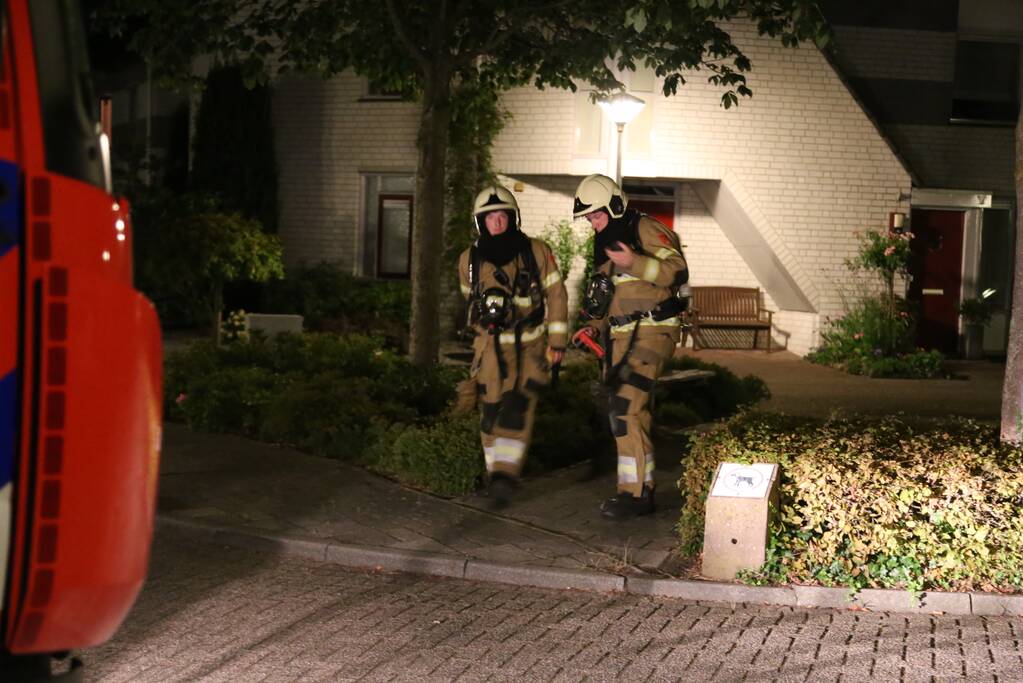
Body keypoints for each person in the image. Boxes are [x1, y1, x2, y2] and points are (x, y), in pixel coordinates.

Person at [572, 174, 689, 520]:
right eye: (589, 219)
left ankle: (636, 494)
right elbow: (610, 299)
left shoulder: (645, 229)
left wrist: (634, 262)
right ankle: (637, 488)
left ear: (615, 205)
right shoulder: (610, 246)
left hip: (654, 331)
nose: (593, 225)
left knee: (625, 407)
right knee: (627, 412)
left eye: (596, 216)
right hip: (622, 337)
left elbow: (676, 270)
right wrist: (593, 327)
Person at [458, 184, 569, 506]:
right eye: (490, 217)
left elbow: (557, 294)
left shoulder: (535, 251)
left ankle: (505, 475)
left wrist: (558, 341)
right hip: (490, 348)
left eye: (502, 215)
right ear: (481, 222)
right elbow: (470, 301)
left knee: (518, 408)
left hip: (529, 347)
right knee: (490, 411)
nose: (497, 222)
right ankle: (496, 473)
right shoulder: (469, 259)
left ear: (513, 217)